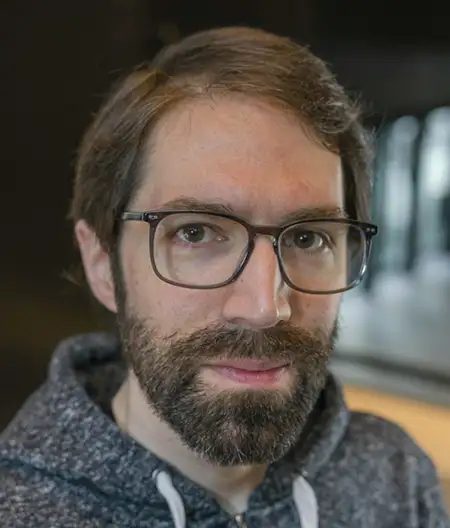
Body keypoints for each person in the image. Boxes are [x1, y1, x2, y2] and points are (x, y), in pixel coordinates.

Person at [0, 26, 448, 528]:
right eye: (196, 233)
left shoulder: (395, 476)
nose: (264, 308)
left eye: (308, 239)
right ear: (103, 265)